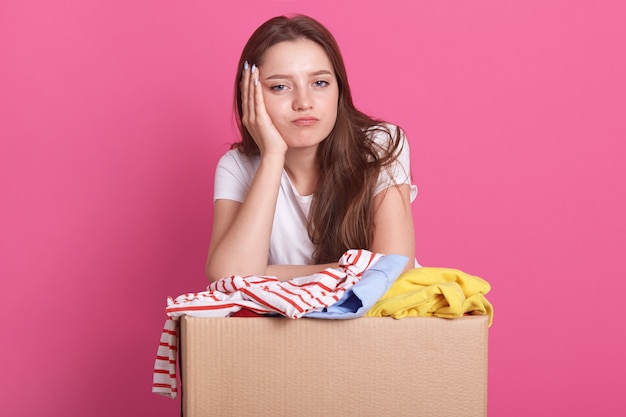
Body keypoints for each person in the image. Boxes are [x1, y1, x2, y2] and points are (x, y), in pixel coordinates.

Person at [205, 14, 417, 281]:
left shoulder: (381, 145)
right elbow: (228, 278)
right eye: (280, 86)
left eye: (319, 83)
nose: (303, 102)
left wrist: (269, 273)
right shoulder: (236, 166)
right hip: (286, 322)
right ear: (251, 95)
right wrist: (272, 156)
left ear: (339, 89)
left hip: (375, 320)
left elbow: (394, 268)